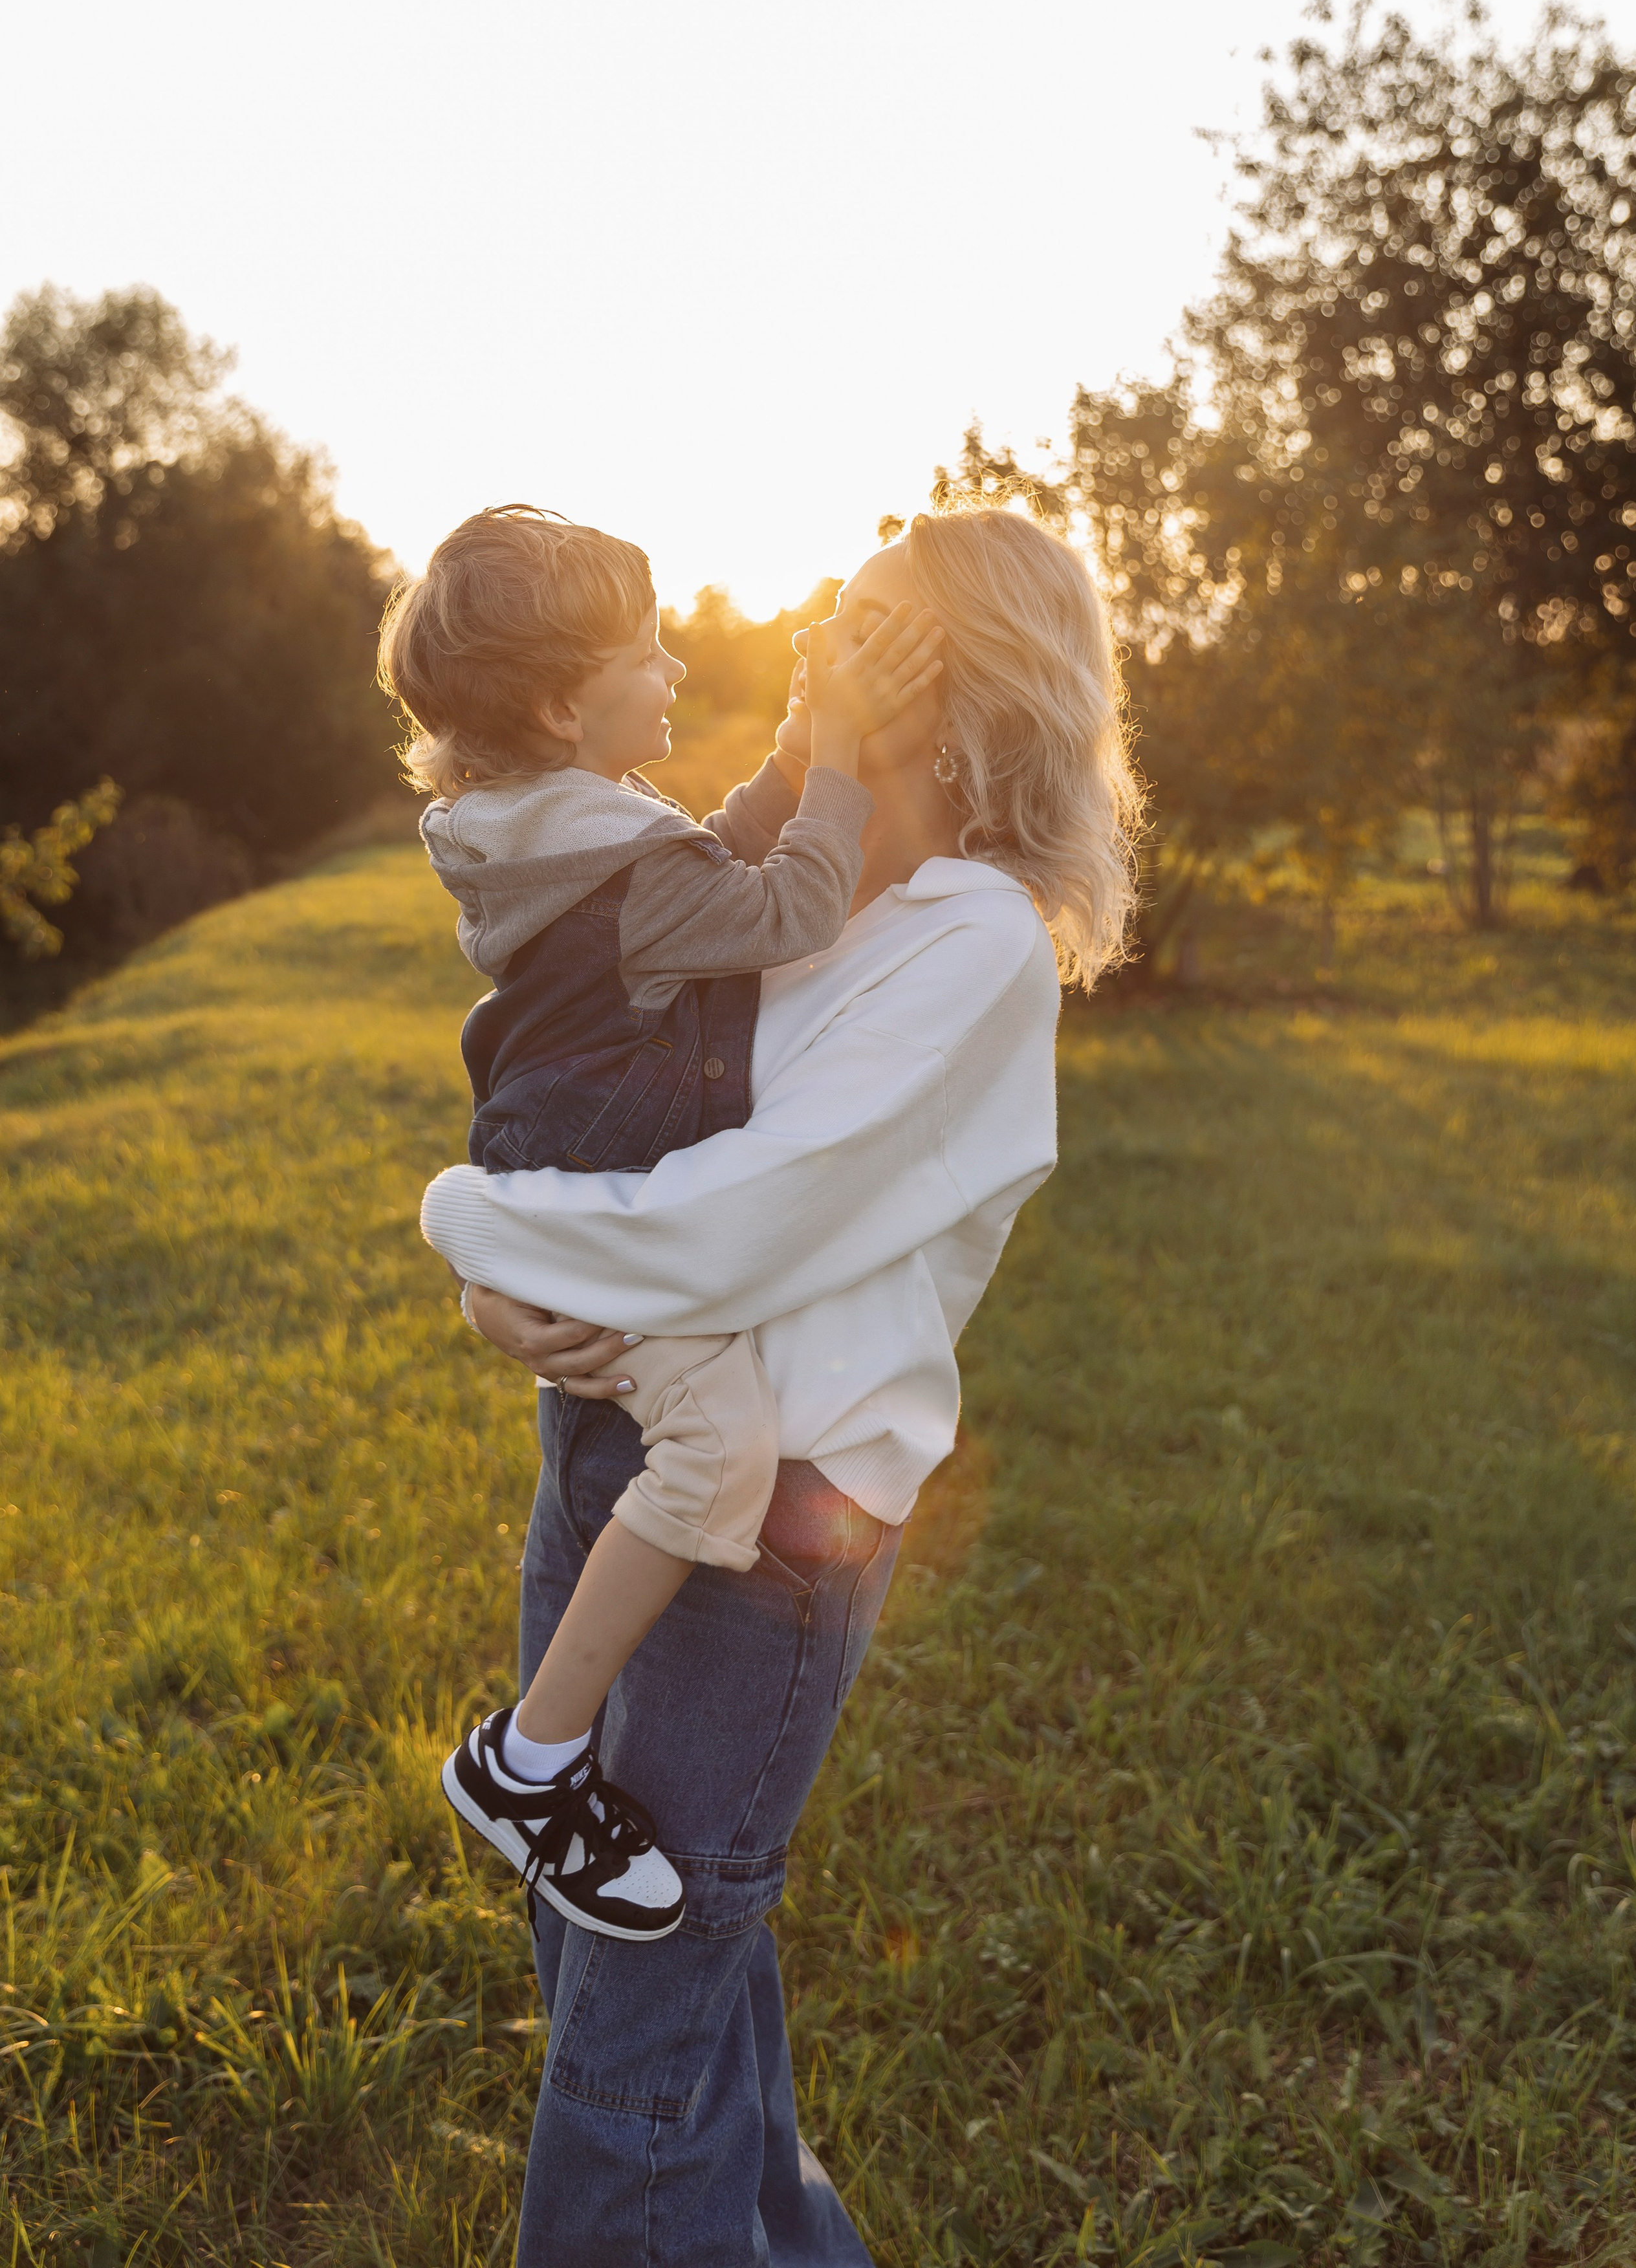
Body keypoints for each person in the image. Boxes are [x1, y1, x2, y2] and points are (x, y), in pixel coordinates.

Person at [422, 506, 1141, 2267]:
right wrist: (508, 1290)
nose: (822, 650)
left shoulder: (967, 940)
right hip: (619, 1448)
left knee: (635, 2042)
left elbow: (735, 1223)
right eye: (833, 619)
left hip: (768, 1528)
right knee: (631, 1958)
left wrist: (470, 1229)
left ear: (965, 694)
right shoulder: (809, 887)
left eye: (872, 636)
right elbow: (604, 1086)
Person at [379, 505, 944, 1940]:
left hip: (572, 1183)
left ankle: (541, 1757)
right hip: (610, 1209)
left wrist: (802, 739)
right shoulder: (619, 874)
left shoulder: (556, 839)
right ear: (565, 709)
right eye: (646, 653)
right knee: (718, 1453)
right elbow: (788, 906)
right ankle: (529, 1762)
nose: (677, 666)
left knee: (687, 1450)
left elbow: (712, 867)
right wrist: (837, 760)